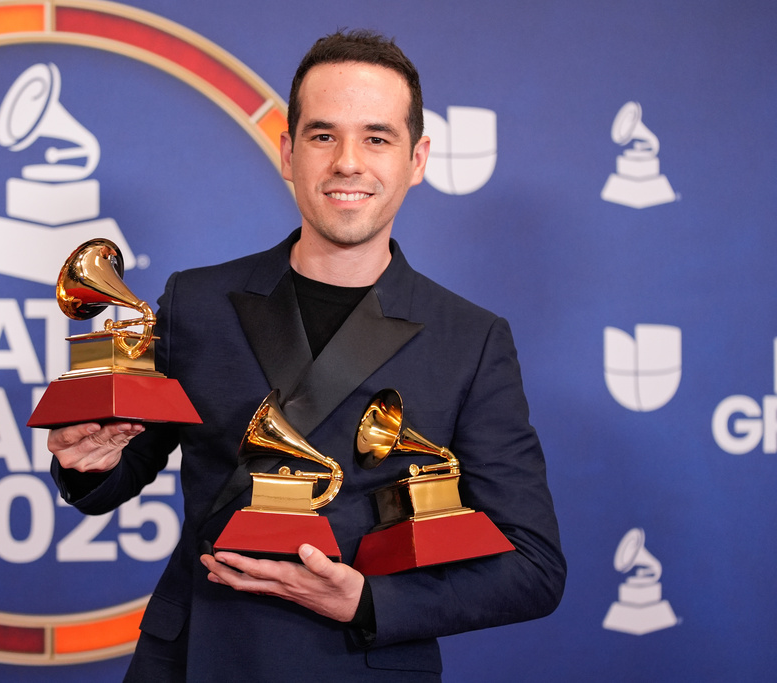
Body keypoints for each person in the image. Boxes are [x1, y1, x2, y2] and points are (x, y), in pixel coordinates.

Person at [48, 29, 565, 682]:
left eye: (377, 137)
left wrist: (369, 600)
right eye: (324, 136)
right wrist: (86, 463)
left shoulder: (470, 338)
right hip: (190, 661)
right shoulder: (195, 300)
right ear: (290, 152)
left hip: (360, 664)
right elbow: (119, 476)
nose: (349, 161)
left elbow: (535, 567)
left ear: (418, 157)